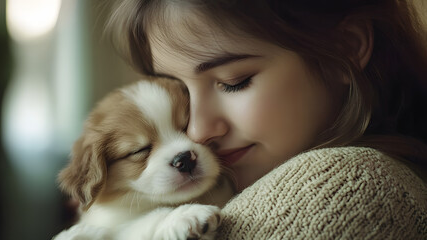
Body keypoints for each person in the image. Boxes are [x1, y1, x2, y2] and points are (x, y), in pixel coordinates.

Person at [106, 0, 427, 238]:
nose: (197, 131)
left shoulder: (346, 187)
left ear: (345, 48)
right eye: (182, 96)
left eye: (234, 81)